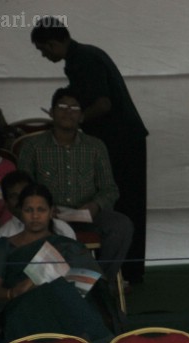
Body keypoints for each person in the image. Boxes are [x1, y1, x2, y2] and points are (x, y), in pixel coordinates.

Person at [31, 17, 149, 283]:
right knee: (129, 206)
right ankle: (124, 273)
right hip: (123, 139)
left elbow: (103, 103)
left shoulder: (81, 60)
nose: (44, 55)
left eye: (43, 49)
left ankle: (122, 274)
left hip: (120, 141)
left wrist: (78, 119)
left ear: (52, 42)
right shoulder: (89, 53)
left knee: (124, 208)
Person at [17, 88, 133, 285]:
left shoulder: (95, 146)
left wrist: (95, 205)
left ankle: (99, 283)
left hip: (88, 214)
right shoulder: (32, 146)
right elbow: (23, 189)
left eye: (74, 108)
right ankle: (71, 289)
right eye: (62, 107)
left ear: (81, 116)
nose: (67, 111)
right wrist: (44, 209)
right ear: (51, 112)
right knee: (45, 234)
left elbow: (110, 189)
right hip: (49, 216)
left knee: (121, 226)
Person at [0, 183, 112, 343]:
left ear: (51, 212)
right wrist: (13, 292)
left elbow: (90, 287)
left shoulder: (66, 245)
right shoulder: (3, 245)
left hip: (64, 308)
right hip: (20, 308)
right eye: (29, 210)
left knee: (57, 290)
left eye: (41, 210)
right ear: (20, 212)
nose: (35, 216)